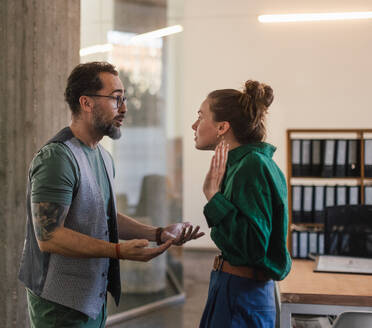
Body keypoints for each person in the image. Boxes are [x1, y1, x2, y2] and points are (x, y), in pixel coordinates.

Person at [18, 61, 204, 328]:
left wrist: (159, 233)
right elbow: (49, 236)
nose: (124, 108)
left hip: (91, 300)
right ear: (86, 103)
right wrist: (118, 251)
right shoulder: (57, 158)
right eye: (116, 99)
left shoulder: (102, 156)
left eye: (124, 99)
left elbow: (102, 216)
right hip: (59, 306)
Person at [193, 80, 292, 328]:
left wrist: (213, 197)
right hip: (234, 289)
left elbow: (252, 247)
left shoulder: (252, 165)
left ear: (222, 127)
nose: (194, 125)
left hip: (241, 294)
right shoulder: (245, 164)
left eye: (201, 117)